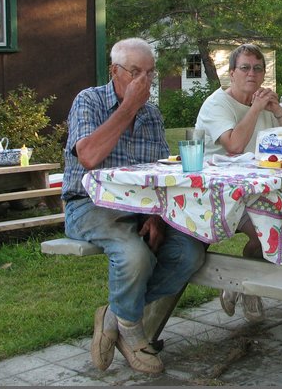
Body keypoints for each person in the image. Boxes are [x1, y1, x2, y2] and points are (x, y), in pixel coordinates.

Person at [61, 38, 206, 375]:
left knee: (190, 253)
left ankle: (114, 315)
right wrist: (127, 108)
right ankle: (133, 333)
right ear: (114, 71)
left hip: (141, 207)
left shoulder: (152, 114)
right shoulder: (89, 101)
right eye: (135, 72)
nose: (145, 81)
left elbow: (159, 172)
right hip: (88, 204)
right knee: (135, 255)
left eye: (150, 73)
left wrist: (157, 215)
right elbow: (89, 156)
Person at [195, 43, 282, 322]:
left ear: (264, 75)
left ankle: (244, 285)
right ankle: (244, 285)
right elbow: (235, 145)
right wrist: (256, 107)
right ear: (231, 73)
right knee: (269, 229)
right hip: (221, 194)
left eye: (258, 68)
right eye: (245, 68)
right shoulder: (217, 104)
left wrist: (276, 110)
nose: (252, 73)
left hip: (260, 188)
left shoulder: (265, 103)